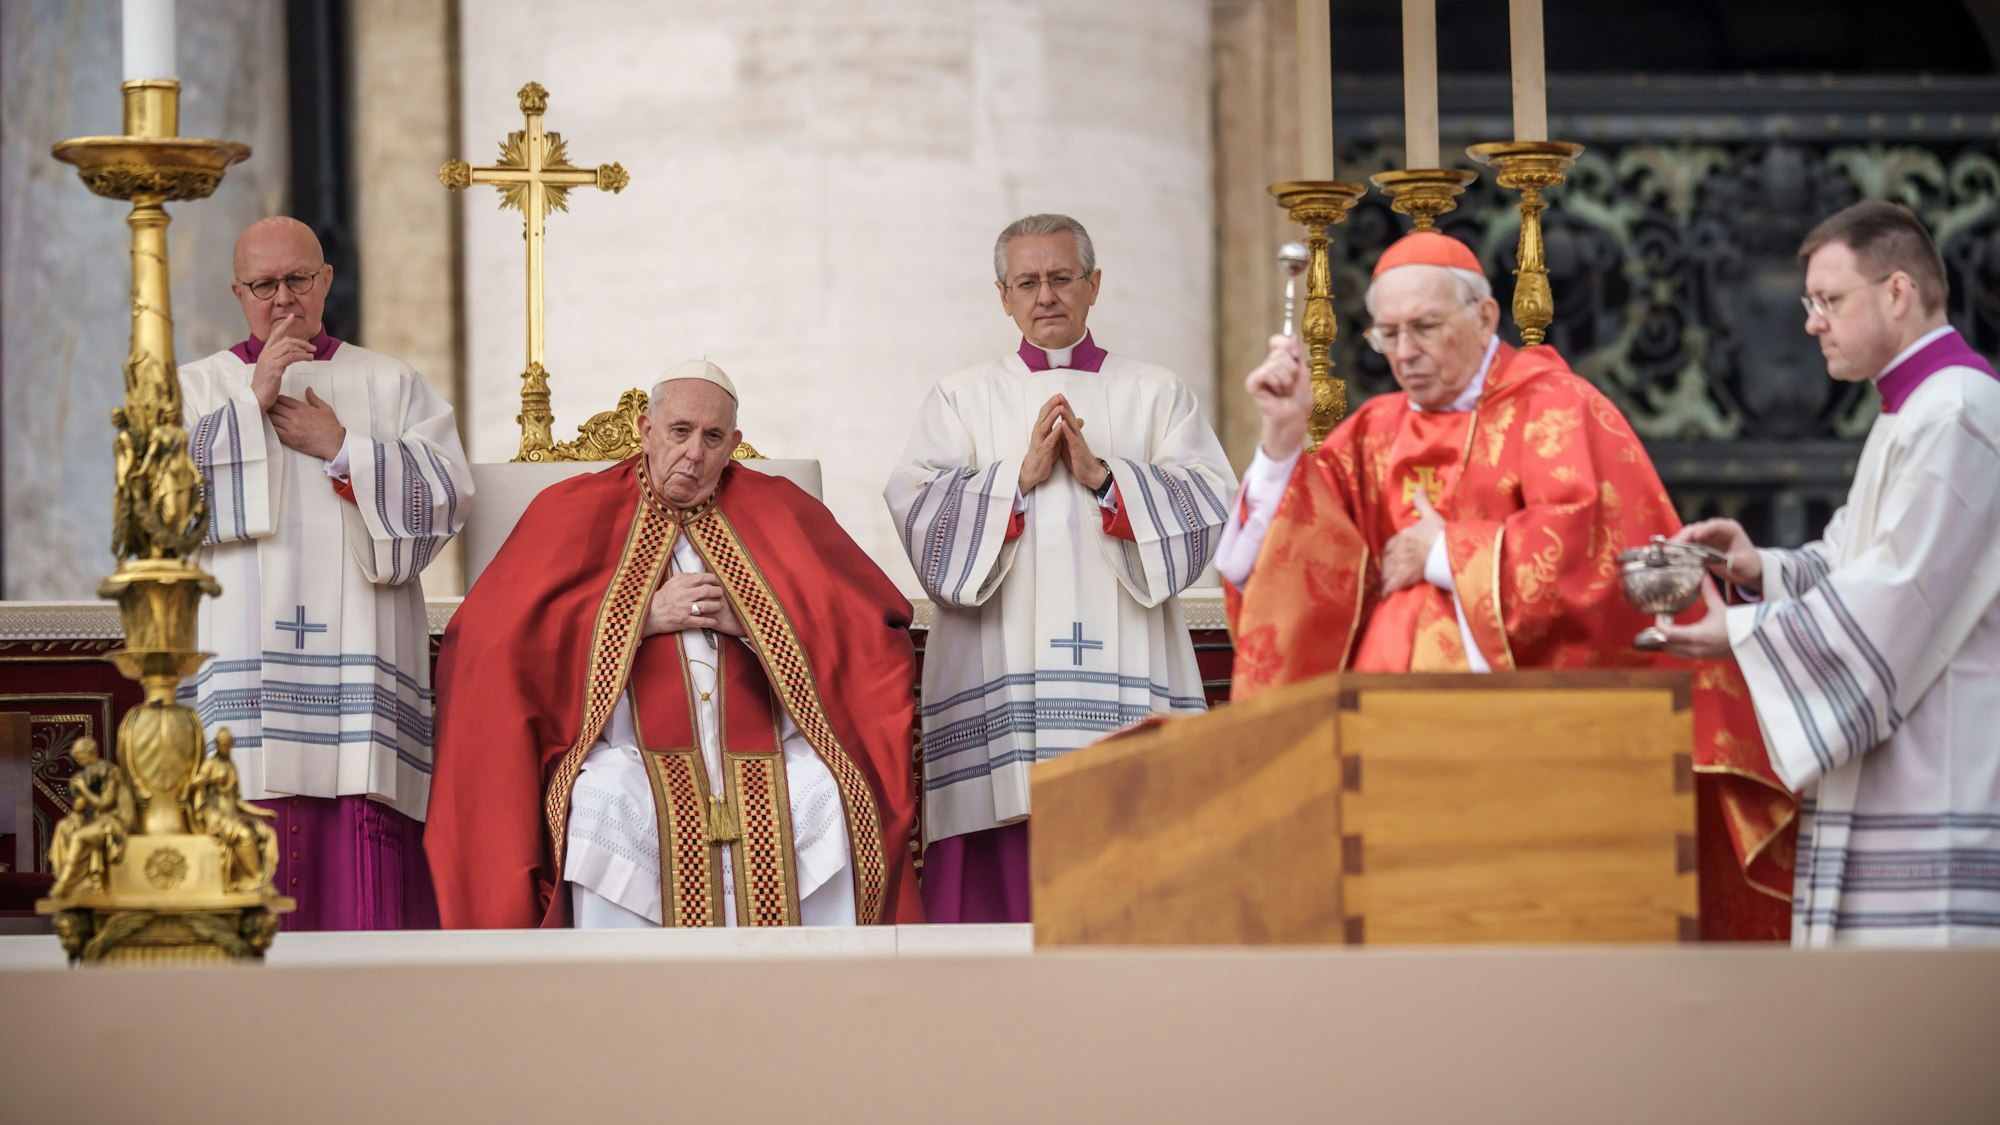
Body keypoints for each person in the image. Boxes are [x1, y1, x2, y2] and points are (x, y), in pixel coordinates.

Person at [1221, 229, 1792, 939]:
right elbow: (1289, 561)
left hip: (1527, 752)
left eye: (1426, 327)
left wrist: (1443, 553)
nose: (1405, 353)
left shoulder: (1557, 408)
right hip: (1380, 750)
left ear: (1487, 317)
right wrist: (1281, 440)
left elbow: (1592, 554)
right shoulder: (1373, 430)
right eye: (1388, 334)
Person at [428, 361, 922, 929]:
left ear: (734, 444)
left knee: (827, 798)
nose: (693, 453)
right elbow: (495, 640)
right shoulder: (570, 510)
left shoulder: (783, 510)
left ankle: (815, 997)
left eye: (713, 438)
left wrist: (759, 620)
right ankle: (628, 1004)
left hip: (769, 755)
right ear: (646, 430)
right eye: (679, 431)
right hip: (629, 757)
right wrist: (638, 618)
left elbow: (870, 627)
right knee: (601, 805)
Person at [1657, 201, 2000, 946]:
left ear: (1899, 292)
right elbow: (1855, 565)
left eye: (1829, 300)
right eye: (1811, 302)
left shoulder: (1958, 412)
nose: (1811, 322)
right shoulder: (1911, 413)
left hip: (1943, 767)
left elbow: (1899, 590)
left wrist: (1740, 631)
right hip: (1903, 763)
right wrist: (1760, 569)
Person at [884, 213, 1236, 923]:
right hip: (998, 661)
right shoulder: (961, 395)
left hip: (1125, 665)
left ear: (1094, 285)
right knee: (999, 849)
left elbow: (1210, 500)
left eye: (1061, 277)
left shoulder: (1157, 392)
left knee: (1132, 835)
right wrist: (1015, 481)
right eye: (1028, 281)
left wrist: (1106, 477)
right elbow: (917, 506)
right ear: (1003, 295)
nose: (1046, 295)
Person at [177, 216, 471, 930]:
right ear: (238, 292)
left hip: (357, 681)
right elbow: (159, 505)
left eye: (298, 279)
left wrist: (342, 446)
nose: (284, 299)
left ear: (326, 281)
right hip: (244, 678)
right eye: (265, 284)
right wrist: (253, 399)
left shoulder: (391, 382)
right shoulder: (196, 386)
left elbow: (445, 495)